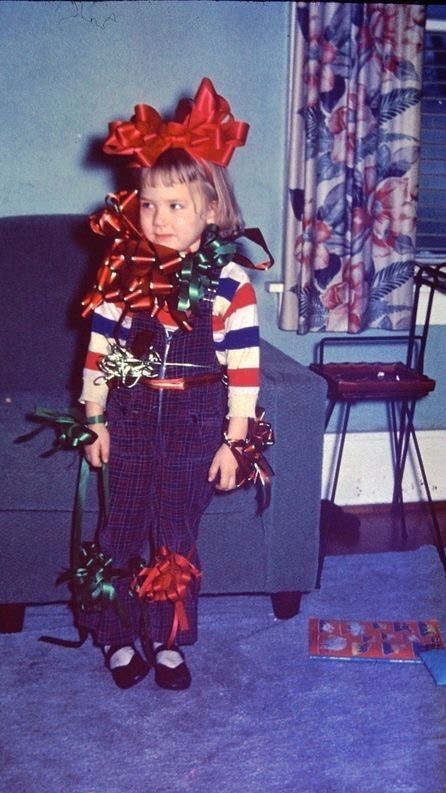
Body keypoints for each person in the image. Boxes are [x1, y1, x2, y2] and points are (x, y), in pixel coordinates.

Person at [78, 78, 269, 691]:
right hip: (129, 420)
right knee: (120, 529)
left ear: (212, 208)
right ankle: (114, 637)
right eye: (148, 203)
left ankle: (167, 641)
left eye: (176, 205)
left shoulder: (230, 281)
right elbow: (100, 351)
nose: (158, 218)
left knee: (176, 534)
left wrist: (235, 442)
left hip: (196, 424)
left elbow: (243, 369)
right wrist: (94, 417)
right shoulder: (119, 275)